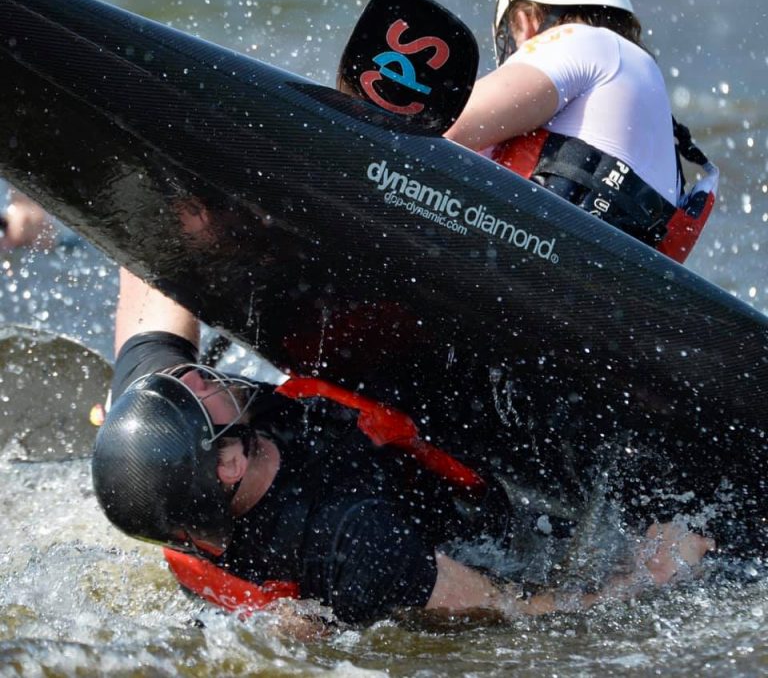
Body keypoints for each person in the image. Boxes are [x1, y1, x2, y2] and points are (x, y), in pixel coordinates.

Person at [92, 267, 714, 627]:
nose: (197, 376)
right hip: (461, 525)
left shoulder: (152, 430)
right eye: (199, 392)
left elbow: (152, 300)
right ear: (228, 464)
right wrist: (645, 577)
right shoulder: (354, 540)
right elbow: (514, 610)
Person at [444, 0, 719, 264]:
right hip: (603, 289)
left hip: (531, 262)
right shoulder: (652, 106)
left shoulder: (583, 41)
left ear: (526, 21)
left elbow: (446, 125)